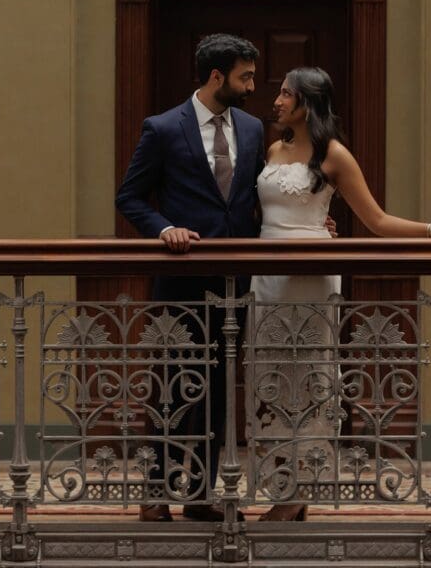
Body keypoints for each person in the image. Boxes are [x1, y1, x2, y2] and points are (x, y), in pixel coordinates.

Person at [250, 66, 431, 522]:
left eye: (285, 94)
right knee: (271, 381)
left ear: (307, 102)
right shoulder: (274, 148)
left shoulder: (335, 155)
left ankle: (297, 492)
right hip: (266, 277)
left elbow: (377, 221)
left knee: (309, 381)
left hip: (312, 277)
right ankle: (283, 482)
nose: (276, 101)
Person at [115, 33, 264, 523]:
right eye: (244, 76)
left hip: (236, 281)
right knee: (175, 384)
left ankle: (202, 494)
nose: (252, 84)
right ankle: (156, 489)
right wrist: (165, 229)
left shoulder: (253, 127)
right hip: (180, 279)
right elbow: (130, 197)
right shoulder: (162, 128)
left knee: (223, 386)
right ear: (216, 75)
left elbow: (256, 197)